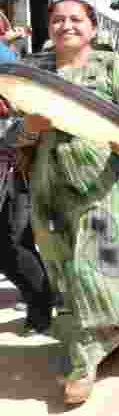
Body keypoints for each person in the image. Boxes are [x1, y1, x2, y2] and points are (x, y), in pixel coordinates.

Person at [7, 0, 119, 404]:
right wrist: (28, 126)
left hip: (107, 189)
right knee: (65, 277)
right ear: (48, 27)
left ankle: (82, 362)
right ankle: (102, 335)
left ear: (93, 28)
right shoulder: (31, 73)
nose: (66, 26)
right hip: (48, 191)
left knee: (92, 268)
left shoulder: (116, 66)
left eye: (76, 19)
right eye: (57, 19)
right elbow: (9, 140)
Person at [0, 44, 53, 335]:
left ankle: (41, 306)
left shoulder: (7, 61)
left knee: (14, 244)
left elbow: (25, 119)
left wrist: (23, 136)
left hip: (14, 174)